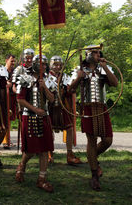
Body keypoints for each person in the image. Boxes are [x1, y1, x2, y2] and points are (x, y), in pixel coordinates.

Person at [69, 45, 118, 191]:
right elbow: (70, 89)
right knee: (92, 139)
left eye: (99, 53)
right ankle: (94, 175)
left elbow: (115, 83)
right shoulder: (80, 69)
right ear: (88, 55)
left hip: (102, 107)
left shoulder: (103, 69)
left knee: (107, 140)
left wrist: (106, 67)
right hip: (88, 108)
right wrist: (78, 78)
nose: (98, 55)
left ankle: (92, 158)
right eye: (95, 53)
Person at [15, 55, 55, 193]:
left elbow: (52, 99)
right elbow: (20, 99)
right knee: (31, 150)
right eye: (41, 63)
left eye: (45, 64)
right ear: (35, 64)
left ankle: (41, 179)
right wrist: (35, 109)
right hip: (30, 117)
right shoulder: (26, 78)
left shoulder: (49, 79)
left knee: (44, 149)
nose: (43, 66)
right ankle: (22, 165)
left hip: (45, 117)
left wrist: (45, 88)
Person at [48, 56, 82, 165]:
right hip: (50, 106)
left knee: (70, 128)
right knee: (49, 130)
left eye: (59, 65)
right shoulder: (46, 76)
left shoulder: (65, 77)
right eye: (55, 65)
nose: (57, 67)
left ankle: (69, 154)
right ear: (51, 65)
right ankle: (49, 153)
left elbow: (69, 91)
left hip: (64, 107)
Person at [2, 54, 16, 149]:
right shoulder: (1, 71)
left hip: (12, 97)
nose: (13, 63)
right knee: (3, 119)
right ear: (6, 60)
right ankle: (4, 140)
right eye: (11, 61)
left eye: (14, 61)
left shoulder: (14, 72)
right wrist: (6, 83)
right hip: (3, 98)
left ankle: (8, 139)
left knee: (10, 119)